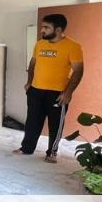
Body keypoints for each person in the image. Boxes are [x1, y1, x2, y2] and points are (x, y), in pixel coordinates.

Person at [13, 14, 84, 163]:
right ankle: (27, 148)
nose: (42, 30)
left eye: (46, 27)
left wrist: (68, 93)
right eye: (42, 27)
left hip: (57, 93)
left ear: (58, 30)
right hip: (35, 90)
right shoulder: (40, 44)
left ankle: (52, 152)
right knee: (32, 121)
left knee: (55, 124)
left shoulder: (73, 46)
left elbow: (78, 71)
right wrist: (29, 82)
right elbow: (33, 63)